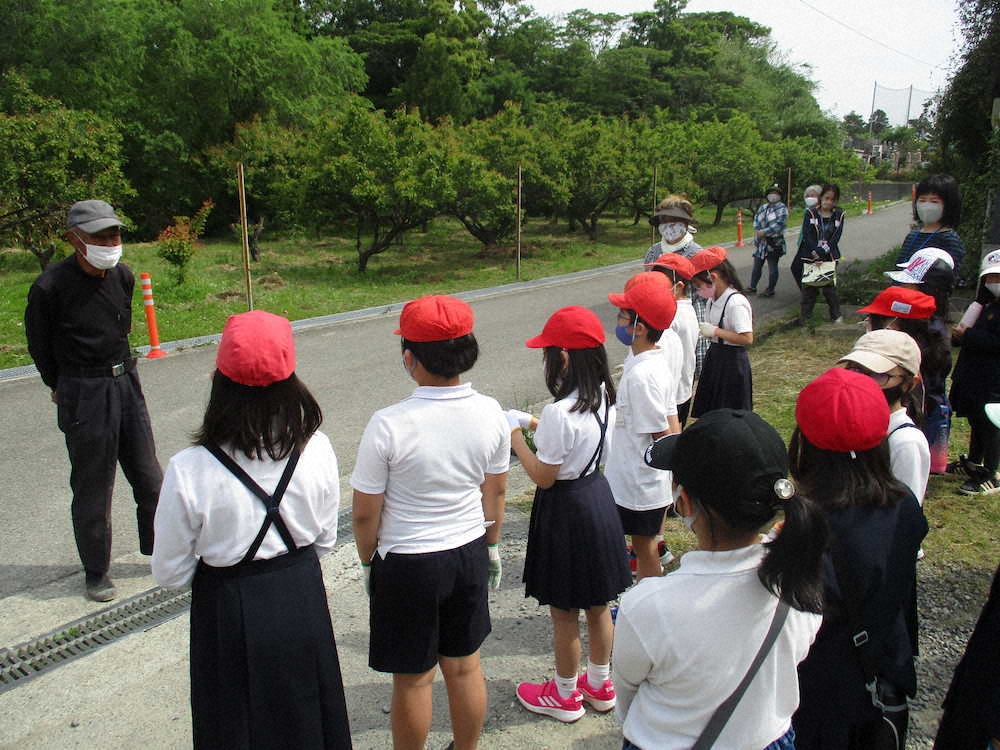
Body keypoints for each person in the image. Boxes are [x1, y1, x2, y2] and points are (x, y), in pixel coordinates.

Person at [152, 310, 352, 749]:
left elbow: (169, 571)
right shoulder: (316, 447)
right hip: (300, 592)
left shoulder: (189, 468)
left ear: (217, 379)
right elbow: (325, 538)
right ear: (292, 379)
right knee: (308, 716)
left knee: (234, 723)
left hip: (226, 601)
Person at [350, 295, 510, 750]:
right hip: (468, 551)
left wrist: (367, 563)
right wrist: (492, 546)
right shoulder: (490, 412)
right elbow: (494, 491)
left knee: (414, 680)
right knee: (464, 666)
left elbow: (365, 512)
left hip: (409, 561)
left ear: (409, 357)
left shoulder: (389, 423)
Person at [613, 409, 826, 750]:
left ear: (683, 502)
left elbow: (626, 695)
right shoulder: (800, 581)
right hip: (768, 739)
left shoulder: (648, 605)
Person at [24, 199, 163, 602]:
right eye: (100, 236)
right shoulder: (50, 287)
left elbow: (123, 326)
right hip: (83, 389)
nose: (110, 242)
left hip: (125, 380)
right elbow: (39, 345)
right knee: (93, 485)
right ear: (74, 239)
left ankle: (159, 551)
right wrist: (61, 384)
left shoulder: (123, 276)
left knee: (150, 476)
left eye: (114, 234)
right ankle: (97, 571)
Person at [790, 368, 928, 750]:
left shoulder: (809, 525)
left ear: (805, 443)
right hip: (883, 668)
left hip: (822, 688)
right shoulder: (905, 505)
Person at [508, 306, 631, 723]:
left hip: (565, 508)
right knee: (598, 602)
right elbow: (575, 442)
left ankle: (563, 695)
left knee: (564, 610)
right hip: (597, 497)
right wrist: (532, 422)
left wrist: (515, 438)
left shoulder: (562, 412)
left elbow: (544, 475)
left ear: (563, 356)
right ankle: (599, 683)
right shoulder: (604, 399)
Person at [605, 272, 679, 581]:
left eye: (623, 316)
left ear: (639, 327)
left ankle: (649, 599)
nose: (618, 322)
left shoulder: (642, 376)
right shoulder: (651, 361)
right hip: (640, 479)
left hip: (638, 482)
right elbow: (672, 418)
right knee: (642, 544)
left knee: (645, 547)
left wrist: (675, 471)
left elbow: (661, 434)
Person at [885, 247, 956, 473]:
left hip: (924, 407)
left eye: (910, 284)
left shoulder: (933, 331)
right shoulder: (919, 324)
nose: (903, 288)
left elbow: (935, 373)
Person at [839, 330, 930, 506]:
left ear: (909, 384)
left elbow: (904, 514)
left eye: (878, 375)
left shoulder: (905, 443)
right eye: (856, 370)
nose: (862, 382)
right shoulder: (850, 422)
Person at [949, 249, 1000, 496]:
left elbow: (994, 341)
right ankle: (973, 460)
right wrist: (959, 336)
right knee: (976, 419)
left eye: (999, 278)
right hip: (973, 375)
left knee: (990, 424)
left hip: (994, 379)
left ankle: (991, 473)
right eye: (990, 278)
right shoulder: (985, 305)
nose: (994, 283)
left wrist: (967, 335)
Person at [643, 195, 710, 380]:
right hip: (657, 323)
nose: (669, 226)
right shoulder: (653, 252)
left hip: (686, 324)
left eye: (674, 221)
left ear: (685, 223)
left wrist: (699, 349)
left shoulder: (697, 254)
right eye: (664, 221)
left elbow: (702, 303)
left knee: (683, 378)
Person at [690, 246, 753, 417]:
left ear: (713, 277)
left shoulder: (735, 303)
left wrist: (716, 331)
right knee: (712, 408)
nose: (698, 290)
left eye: (698, 285)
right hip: (715, 357)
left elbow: (747, 338)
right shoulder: (712, 301)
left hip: (732, 362)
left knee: (729, 410)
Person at [646, 253, 699, 427]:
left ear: (678, 287)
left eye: (660, 283)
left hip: (671, 395)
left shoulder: (673, 316)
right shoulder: (686, 309)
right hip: (682, 389)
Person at [794, 183, 844, 325]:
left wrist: (822, 253)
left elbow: (836, 237)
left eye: (832, 199)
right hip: (811, 255)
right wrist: (815, 253)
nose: (828, 202)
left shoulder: (839, 215)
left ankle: (836, 316)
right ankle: (805, 318)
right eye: (826, 198)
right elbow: (807, 234)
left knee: (830, 289)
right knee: (809, 289)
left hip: (829, 256)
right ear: (821, 197)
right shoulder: (811, 213)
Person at [896, 174, 966, 273]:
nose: (926, 206)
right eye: (922, 200)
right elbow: (899, 267)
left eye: (934, 201)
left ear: (949, 205)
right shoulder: (912, 236)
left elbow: (952, 277)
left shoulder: (949, 239)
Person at [747, 184, 788, 297]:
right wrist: (759, 232)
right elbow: (756, 220)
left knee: (772, 266)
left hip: (774, 242)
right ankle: (752, 287)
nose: (773, 195)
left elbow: (780, 225)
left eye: (776, 193)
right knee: (757, 265)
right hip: (761, 242)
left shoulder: (782, 208)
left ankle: (770, 289)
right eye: (771, 193)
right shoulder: (763, 208)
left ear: (779, 195)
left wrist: (765, 232)